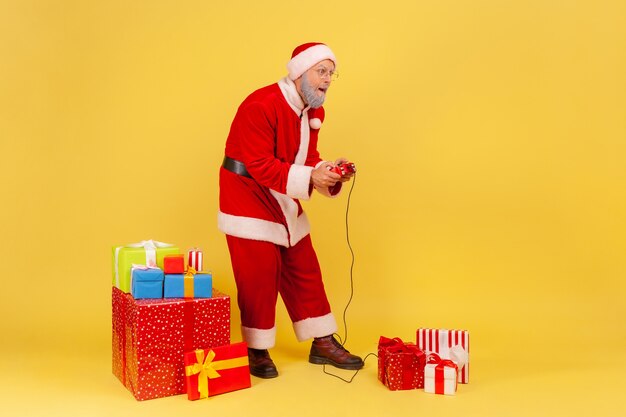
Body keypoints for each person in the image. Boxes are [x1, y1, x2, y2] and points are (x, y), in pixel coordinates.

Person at [218, 42, 363, 378]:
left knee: (304, 265)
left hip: (280, 191)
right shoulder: (261, 104)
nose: (327, 79)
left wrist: (327, 170)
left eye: (331, 73)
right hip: (247, 194)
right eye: (321, 71)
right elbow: (257, 163)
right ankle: (257, 350)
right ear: (299, 72)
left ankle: (322, 341)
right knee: (258, 274)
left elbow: (306, 159)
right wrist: (309, 176)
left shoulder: (311, 110)